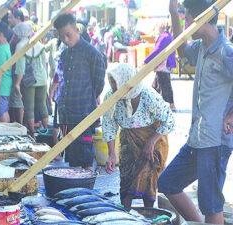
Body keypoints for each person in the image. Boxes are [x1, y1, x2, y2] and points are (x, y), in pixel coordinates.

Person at [157, 0, 233, 224]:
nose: (186, 22)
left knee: (211, 203)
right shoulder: (201, 48)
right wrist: (173, 13)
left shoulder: (225, 52)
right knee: (168, 182)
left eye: (187, 18)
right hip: (197, 139)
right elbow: (181, 48)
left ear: (201, 19)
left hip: (215, 141)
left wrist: (231, 115)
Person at [103, 63, 174, 208]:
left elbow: (169, 120)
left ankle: (149, 214)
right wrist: (111, 154)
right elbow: (109, 125)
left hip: (153, 139)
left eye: (117, 84)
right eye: (112, 84)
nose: (114, 88)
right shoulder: (111, 96)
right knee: (127, 181)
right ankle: (126, 215)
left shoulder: (148, 95)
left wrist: (151, 143)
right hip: (128, 141)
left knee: (148, 180)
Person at [54, 13, 107, 170]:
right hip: (67, 113)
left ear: (77, 30)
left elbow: (98, 83)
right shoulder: (64, 54)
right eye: (62, 36)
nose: (65, 39)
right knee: (72, 158)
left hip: (83, 113)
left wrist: (86, 97)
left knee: (85, 156)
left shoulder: (92, 53)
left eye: (68, 35)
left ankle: (87, 187)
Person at [14, 23, 49, 136]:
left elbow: (20, 68)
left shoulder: (20, 46)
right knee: (42, 104)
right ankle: (46, 130)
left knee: (29, 108)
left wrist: (17, 84)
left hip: (29, 81)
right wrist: (45, 78)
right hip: (42, 78)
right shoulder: (39, 44)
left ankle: (32, 133)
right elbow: (44, 64)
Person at [144, 20, 177, 111]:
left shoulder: (164, 37)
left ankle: (171, 104)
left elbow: (157, 50)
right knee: (157, 84)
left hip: (163, 64)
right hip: (165, 63)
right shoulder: (168, 36)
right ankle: (152, 104)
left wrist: (146, 60)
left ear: (161, 27)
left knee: (164, 84)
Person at [8, 9, 25, 124]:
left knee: (18, 100)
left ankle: (20, 125)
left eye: (10, 17)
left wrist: (18, 81)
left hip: (19, 72)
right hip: (17, 71)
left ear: (18, 18)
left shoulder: (19, 34)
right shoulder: (16, 33)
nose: (8, 20)